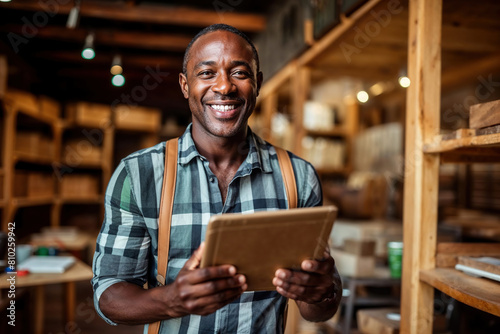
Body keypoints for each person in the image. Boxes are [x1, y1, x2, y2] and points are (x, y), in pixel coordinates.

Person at [92, 23, 342, 333]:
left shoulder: (298, 178)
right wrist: (171, 300)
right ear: (185, 86)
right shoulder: (138, 174)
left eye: (240, 73)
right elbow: (109, 294)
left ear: (258, 83)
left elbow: (317, 311)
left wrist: (323, 291)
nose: (224, 87)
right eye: (207, 73)